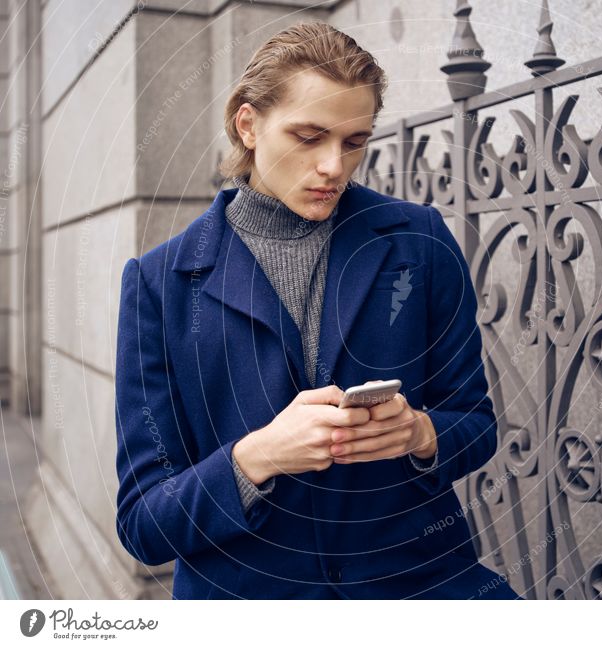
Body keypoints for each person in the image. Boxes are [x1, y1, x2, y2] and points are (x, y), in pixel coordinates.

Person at [114, 20, 520, 600]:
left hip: (425, 588)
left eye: (354, 141)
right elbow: (143, 524)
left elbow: (476, 425)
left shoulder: (420, 241)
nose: (334, 165)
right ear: (248, 125)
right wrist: (258, 457)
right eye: (309, 136)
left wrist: (420, 432)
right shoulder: (158, 284)